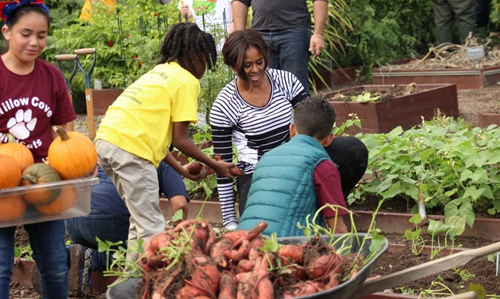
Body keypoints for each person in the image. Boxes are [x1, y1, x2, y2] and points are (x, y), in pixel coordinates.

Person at [94, 22, 236, 261]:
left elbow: (161, 139)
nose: (206, 68)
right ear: (193, 55)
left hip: (107, 141)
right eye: (205, 59)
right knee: (152, 228)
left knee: (139, 223)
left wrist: (181, 169)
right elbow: (181, 140)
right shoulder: (186, 81)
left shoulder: (158, 72)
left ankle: (132, 285)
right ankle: (150, 288)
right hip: (131, 150)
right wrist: (214, 164)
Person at [209, 29, 367, 230]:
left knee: (353, 151)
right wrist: (230, 222)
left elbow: (312, 119)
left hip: (298, 160)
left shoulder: (284, 81)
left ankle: (323, 211)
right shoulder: (224, 104)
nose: (256, 70)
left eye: (260, 62)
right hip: (258, 173)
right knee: (262, 224)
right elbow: (222, 167)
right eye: (247, 65)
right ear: (234, 65)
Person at [0, 1, 77, 298]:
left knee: (56, 265)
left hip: (44, 181)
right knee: (1, 268)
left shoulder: (51, 76)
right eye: (26, 33)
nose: (35, 42)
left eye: (42, 35)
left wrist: (69, 163)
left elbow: (65, 133)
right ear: (6, 31)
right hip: (2, 184)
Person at [60, 162, 190, 297]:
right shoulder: (161, 161)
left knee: (109, 240)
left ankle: (64, 256)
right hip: (106, 220)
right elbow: (179, 204)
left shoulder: (115, 150)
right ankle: (94, 258)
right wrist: (176, 243)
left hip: (74, 216)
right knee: (146, 255)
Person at [237, 96, 348, 236]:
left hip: (241, 243)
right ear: (329, 139)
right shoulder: (322, 165)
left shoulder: (265, 160)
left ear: (292, 130)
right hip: (283, 250)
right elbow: (338, 230)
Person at [232, 0, 328, 92]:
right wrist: (240, 39)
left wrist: (318, 33)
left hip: (294, 32)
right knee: (262, 91)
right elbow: (240, 1)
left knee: (296, 89)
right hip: (260, 35)